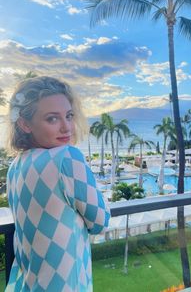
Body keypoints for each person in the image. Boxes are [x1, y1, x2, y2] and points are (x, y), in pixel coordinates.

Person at [5, 76, 110, 291]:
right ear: (25, 124)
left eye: (69, 116)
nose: (66, 127)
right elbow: (100, 221)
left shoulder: (16, 166)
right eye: (52, 119)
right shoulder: (67, 157)